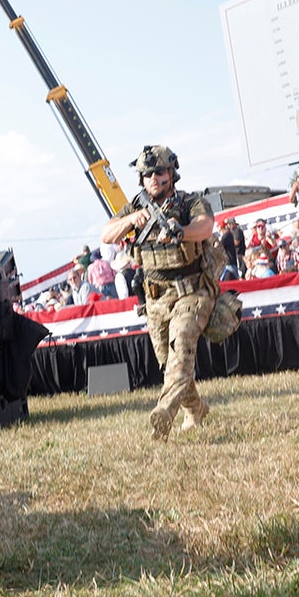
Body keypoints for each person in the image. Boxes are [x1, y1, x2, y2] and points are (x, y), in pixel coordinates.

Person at [100, 144, 215, 442]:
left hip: (191, 291)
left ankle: (164, 412)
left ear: (171, 174)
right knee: (169, 362)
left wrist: (182, 231)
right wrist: (129, 221)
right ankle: (197, 408)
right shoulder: (135, 207)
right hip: (155, 298)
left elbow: (205, 226)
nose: (153, 177)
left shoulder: (190, 202)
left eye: (159, 171)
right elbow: (106, 234)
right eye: (147, 173)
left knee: (181, 353)